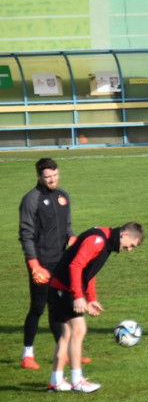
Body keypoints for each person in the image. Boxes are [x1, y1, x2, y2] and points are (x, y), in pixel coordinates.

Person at [47, 223, 145, 392]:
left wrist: (91, 298)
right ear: (125, 234)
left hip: (61, 288)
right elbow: (76, 265)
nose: (129, 250)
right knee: (79, 330)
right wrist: (78, 297)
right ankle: (77, 381)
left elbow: (89, 271)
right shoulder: (98, 240)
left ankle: (56, 381)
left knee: (67, 335)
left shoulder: (106, 241)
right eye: (131, 245)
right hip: (63, 289)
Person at [18, 158, 74, 371]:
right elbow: (26, 234)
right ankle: (27, 355)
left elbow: (67, 227)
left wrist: (72, 237)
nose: (52, 179)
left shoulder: (63, 196)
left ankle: (64, 352)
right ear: (39, 177)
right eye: (47, 176)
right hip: (40, 263)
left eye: (55, 175)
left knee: (57, 308)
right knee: (37, 307)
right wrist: (34, 264)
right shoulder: (31, 199)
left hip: (60, 262)